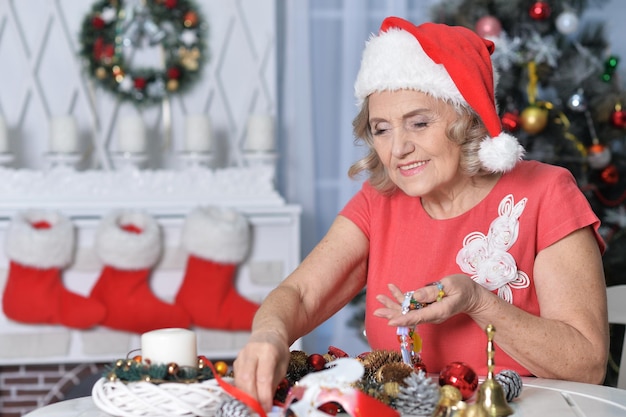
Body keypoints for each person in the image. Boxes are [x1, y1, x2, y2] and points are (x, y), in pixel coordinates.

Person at [233, 16, 609, 411]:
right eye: (382, 129)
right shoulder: (379, 201)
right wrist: (270, 335)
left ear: (467, 120)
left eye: (419, 123)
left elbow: (587, 364)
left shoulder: (546, 192)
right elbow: (300, 294)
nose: (398, 149)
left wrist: (478, 302)